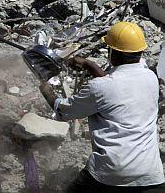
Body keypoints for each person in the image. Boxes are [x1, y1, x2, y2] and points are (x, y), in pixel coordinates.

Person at [39, 22, 165, 192]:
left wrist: (46, 90)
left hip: (110, 173)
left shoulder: (99, 88)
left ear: (113, 52)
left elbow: (63, 111)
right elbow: (118, 88)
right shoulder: (151, 78)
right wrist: (89, 65)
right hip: (150, 174)